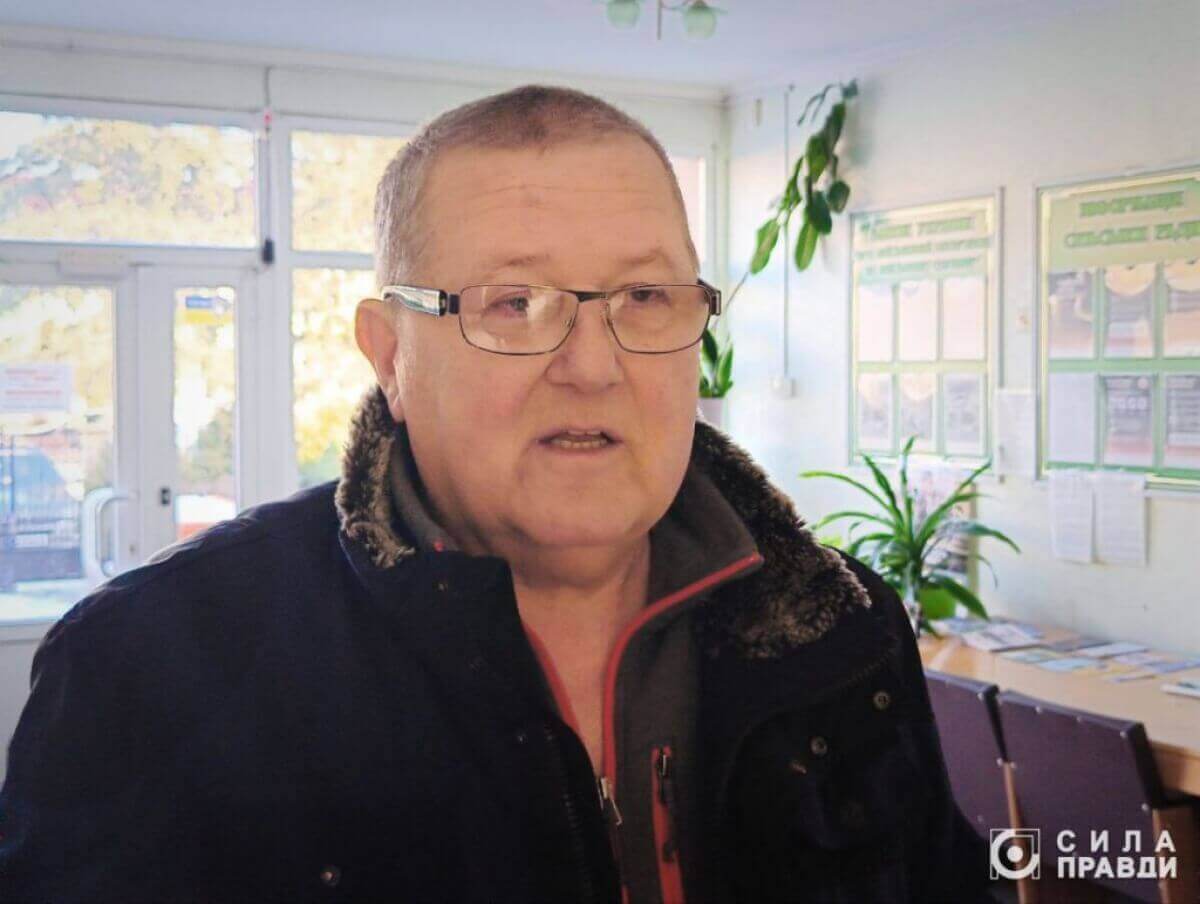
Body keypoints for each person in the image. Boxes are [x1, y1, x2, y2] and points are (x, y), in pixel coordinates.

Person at [0, 84, 989, 902]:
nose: (593, 367)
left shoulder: (838, 630)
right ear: (389, 354)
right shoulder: (156, 670)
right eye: (513, 304)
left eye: (645, 297)